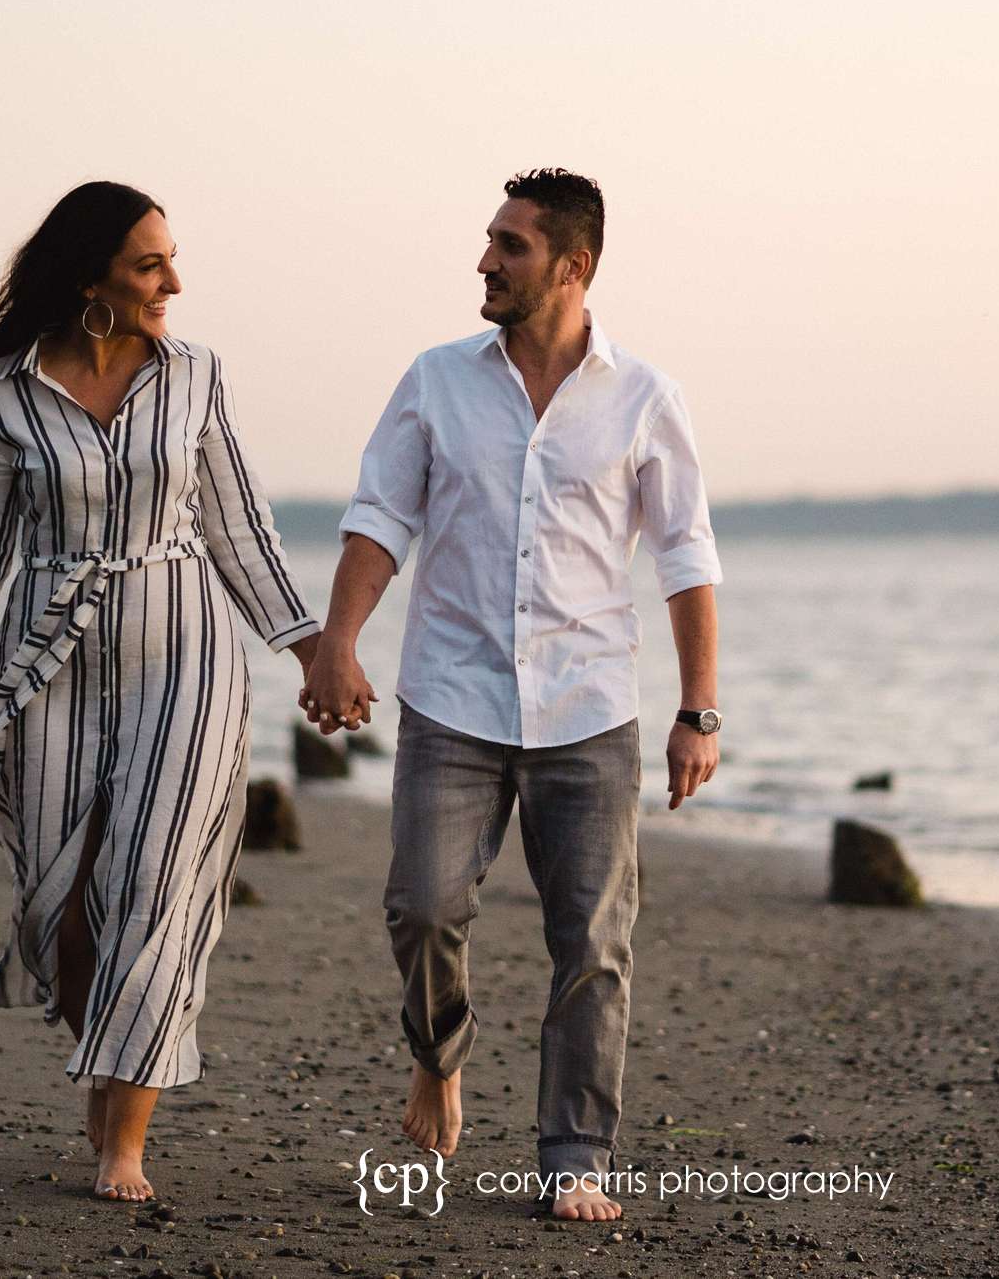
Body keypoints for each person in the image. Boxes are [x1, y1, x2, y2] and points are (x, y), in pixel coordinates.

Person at [302, 169, 724, 1224]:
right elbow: (379, 517)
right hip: (451, 697)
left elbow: (683, 555)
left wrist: (697, 710)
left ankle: (574, 1151)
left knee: (592, 940)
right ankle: (438, 1053)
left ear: (573, 266)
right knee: (423, 904)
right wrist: (338, 643)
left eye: (510, 245)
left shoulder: (644, 398)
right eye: (489, 241)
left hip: (589, 708)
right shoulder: (435, 379)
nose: (485, 259)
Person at [0, 181, 321, 1204]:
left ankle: (123, 1140)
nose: (173, 281)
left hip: (185, 648)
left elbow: (239, 526)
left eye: (171, 259)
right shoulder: (7, 394)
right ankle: (106, 1067)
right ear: (90, 275)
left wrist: (311, 648)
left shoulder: (195, 376)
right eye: (150, 263)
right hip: (48, 656)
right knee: (62, 906)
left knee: (154, 883)